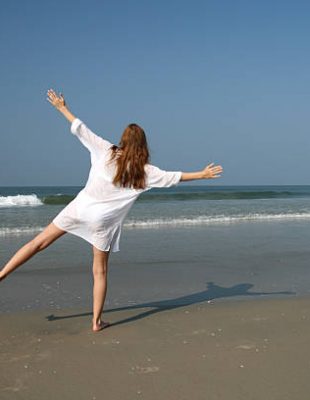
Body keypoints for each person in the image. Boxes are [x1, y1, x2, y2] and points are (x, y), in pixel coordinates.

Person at [0, 89, 223, 332]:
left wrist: (61, 107)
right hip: (102, 222)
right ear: (143, 145)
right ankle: (96, 321)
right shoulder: (145, 171)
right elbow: (175, 177)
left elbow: (80, 128)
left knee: (38, 243)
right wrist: (202, 174)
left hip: (79, 208)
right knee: (100, 271)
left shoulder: (105, 150)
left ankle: (1, 275)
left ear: (124, 140)